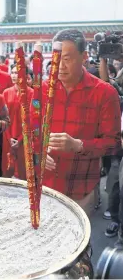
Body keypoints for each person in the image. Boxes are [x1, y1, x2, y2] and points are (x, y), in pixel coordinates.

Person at [44, 29, 121, 218]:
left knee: (78, 244)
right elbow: (31, 131)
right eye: (56, 59)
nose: (60, 66)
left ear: (84, 57)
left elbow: (113, 144)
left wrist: (78, 145)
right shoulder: (43, 89)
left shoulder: (104, 93)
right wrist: (38, 150)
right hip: (45, 186)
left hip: (81, 189)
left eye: (67, 59)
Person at [2, 64, 33, 179]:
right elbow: (3, 116)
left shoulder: (32, 94)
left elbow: (32, 119)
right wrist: (9, 137)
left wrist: (20, 139)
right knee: (7, 168)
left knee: (23, 170)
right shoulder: (6, 93)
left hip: (25, 137)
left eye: (18, 73)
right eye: (13, 72)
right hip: (8, 136)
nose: (14, 76)